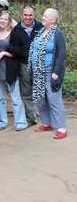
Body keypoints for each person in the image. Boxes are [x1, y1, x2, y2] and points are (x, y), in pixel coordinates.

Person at [28, 8, 67, 140]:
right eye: (43, 15)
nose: (42, 17)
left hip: (50, 71)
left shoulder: (57, 34)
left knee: (53, 99)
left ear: (53, 20)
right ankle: (47, 123)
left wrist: (56, 72)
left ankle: (61, 128)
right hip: (38, 71)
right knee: (41, 99)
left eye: (45, 16)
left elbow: (61, 54)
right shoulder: (40, 32)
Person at [9, 5, 42, 126]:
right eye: (26, 15)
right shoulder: (16, 30)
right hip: (24, 65)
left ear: (34, 15)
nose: (28, 17)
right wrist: (24, 51)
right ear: (21, 15)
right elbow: (12, 48)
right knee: (26, 92)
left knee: (40, 90)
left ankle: (43, 114)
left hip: (39, 65)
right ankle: (31, 116)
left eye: (30, 15)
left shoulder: (40, 28)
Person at [0, 11, 28, 131]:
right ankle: (1, 122)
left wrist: (3, 53)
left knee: (15, 98)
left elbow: (18, 52)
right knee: (0, 98)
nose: (3, 21)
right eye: (1, 19)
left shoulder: (13, 34)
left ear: (9, 22)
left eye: (5, 19)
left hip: (10, 69)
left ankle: (21, 122)